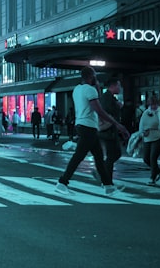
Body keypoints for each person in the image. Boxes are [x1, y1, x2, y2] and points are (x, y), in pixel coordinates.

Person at [56, 67, 130, 195]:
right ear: (91, 76)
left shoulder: (77, 89)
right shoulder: (90, 90)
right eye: (95, 76)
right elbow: (99, 110)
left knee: (99, 157)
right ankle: (62, 182)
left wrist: (96, 88)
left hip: (83, 125)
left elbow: (96, 104)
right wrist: (118, 125)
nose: (96, 78)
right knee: (79, 156)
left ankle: (108, 187)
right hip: (88, 127)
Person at [95, 77, 124, 186]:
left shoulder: (110, 97)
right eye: (119, 85)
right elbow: (105, 113)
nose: (120, 88)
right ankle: (106, 180)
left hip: (111, 130)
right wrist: (117, 108)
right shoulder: (107, 98)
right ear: (113, 85)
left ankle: (103, 175)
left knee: (115, 154)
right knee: (113, 155)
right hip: (108, 130)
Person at [139, 93, 160, 185]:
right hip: (147, 138)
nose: (153, 106)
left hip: (159, 137)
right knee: (146, 158)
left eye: (155, 104)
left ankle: (152, 177)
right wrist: (143, 133)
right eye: (151, 104)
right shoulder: (145, 113)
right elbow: (141, 125)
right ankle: (158, 171)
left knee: (153, 157)